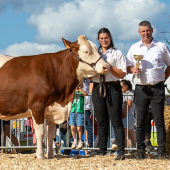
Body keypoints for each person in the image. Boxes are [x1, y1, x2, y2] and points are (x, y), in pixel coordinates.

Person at [126, 20, 170, 159]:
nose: (146, 33)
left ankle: (161, 152)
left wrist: (162, 78)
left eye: (148, 30)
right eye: (143, 31)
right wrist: (132, 69)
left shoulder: (161, 46)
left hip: (157, 88)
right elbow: (126, 66)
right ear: (139, 32)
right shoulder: (134, 48)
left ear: (152, 30)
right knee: (140, 122)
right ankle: (140, 152)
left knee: (159, 121)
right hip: (140, 89)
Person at [90, 28, 126, 160]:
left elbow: (122, 74)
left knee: (116, 120)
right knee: (101, 121)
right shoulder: (95, 54)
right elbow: (89, 75)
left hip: (113, 86)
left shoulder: (117, 53)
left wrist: (111, 68)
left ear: (110, 38)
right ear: (98, 40)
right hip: (98, 86)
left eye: (106, 38)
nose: (104, 40)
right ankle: (102, 152)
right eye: (101, 38)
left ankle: (121, 151)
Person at [70, 83, 87, 149]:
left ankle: (80, 140)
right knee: (72, 127)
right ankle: (74, 140)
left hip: (80, 111)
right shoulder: (72, 92)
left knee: (79, 127)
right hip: (72, 111)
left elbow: (85, 94)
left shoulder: (81, 91)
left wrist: (79, 89)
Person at [120, 80, 136, 149]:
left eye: (121, 86)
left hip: (127, 116)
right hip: (128, 116)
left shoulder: (129, 93)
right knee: (131, 134)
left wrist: (123, 112)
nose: (120, 88)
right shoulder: (126, 94)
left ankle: (125, 150)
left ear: (126, 86)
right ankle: (136, 149)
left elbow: (127, 106)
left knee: (124, 135)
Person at [83, 78, 93, 154]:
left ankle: (91, 148)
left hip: (88, 108)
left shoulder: (88, 81)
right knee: (78, 128)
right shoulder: (79, 81)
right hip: (80, 107)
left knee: (89, 129)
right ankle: (67, 149)